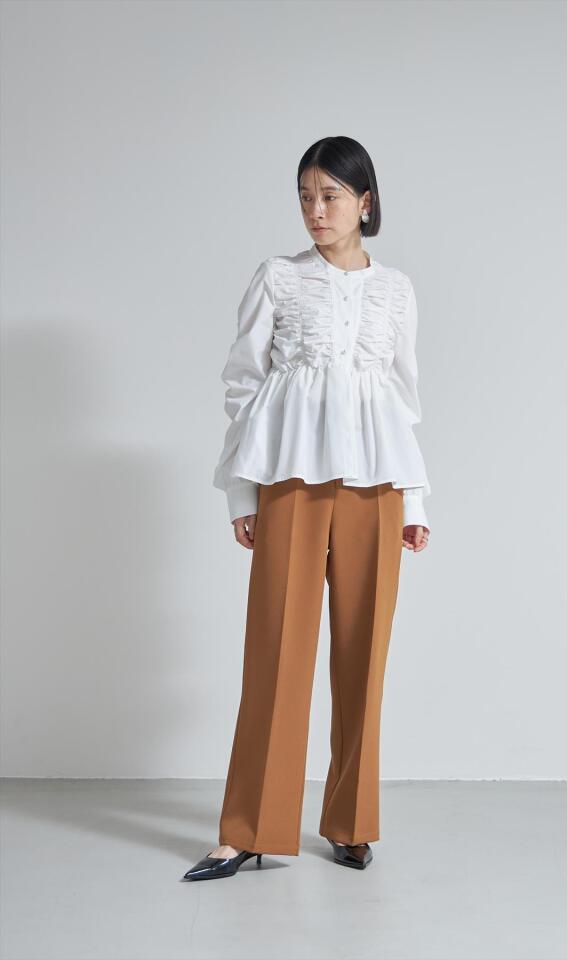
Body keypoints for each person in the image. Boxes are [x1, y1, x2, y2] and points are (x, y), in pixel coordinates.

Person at [182, 136, 431, 881]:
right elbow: (242, 386)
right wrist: (242, 489)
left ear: (365, 202)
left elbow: (403, 399)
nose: (315, 211)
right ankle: (250, 828)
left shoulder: (396, 290)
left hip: (376, 486)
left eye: (329, 196)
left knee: (364, 654)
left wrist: (414, 498)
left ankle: (351, 823)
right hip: (289, 478)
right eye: (304, 197)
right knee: (277, 650)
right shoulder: (278, 279)